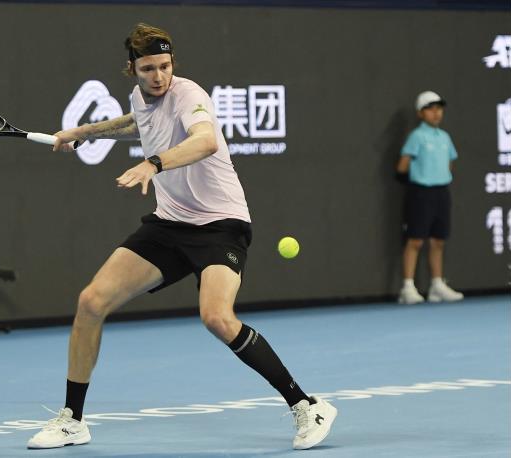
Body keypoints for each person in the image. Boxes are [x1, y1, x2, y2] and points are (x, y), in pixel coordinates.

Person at [26, 23, 337, 451]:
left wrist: (153, 164)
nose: (159, 76)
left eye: (165, 66)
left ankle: (305, 405)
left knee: (217, 317)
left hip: (221, 224)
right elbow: (137, 122)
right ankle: (72, 420)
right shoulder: (140, 96)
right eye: (148, 68)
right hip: (170, 223)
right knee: (91, 302)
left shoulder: (189, 95)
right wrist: (80, 133)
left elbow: (205, 141)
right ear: (132, 69)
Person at [396, 91, 464, 305]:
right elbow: (402, 167)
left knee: (438, 240)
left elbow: (450, 163)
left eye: (439, 109)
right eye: (431, 109)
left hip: (441, 192)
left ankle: (437, 285)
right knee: (415, 240)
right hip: (420, 193)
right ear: (420, 113)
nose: (436, 113)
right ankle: (408, 287)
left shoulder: (445, 137)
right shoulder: (417, 137)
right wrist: (420, 180)